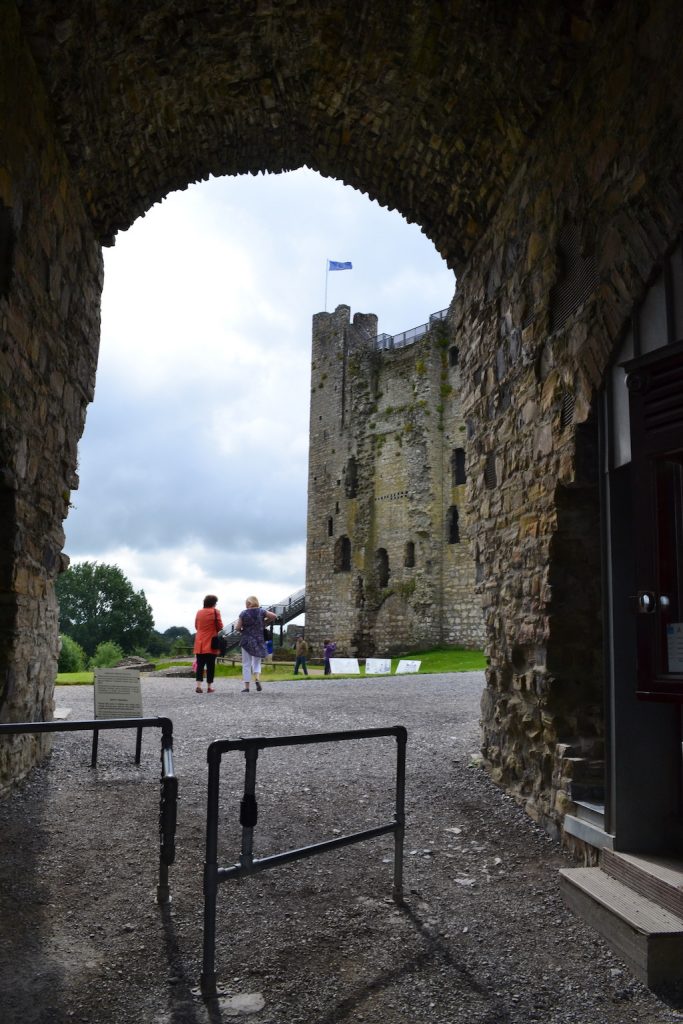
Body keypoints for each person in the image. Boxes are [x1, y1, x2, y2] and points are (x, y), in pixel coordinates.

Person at [237, 596, 277, 693]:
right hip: (259, 640)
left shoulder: (243, 613)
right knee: (257, 662)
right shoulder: (261, 611)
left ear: (249, 603)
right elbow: (274, 616)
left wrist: (242, 630)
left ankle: (247, 687)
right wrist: (264, 623)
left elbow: (238, 627)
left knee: (246, 664)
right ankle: (257, 679)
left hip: (247, 640)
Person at [193, 594, 223, 694]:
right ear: (214, 603)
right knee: (211, 666)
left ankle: (198, 685)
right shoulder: (215, 612)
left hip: (200, 642)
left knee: (200, 665)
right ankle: (209, 687)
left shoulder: (199, 612)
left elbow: (196, 626)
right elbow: (220, 626)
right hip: (211, 642)